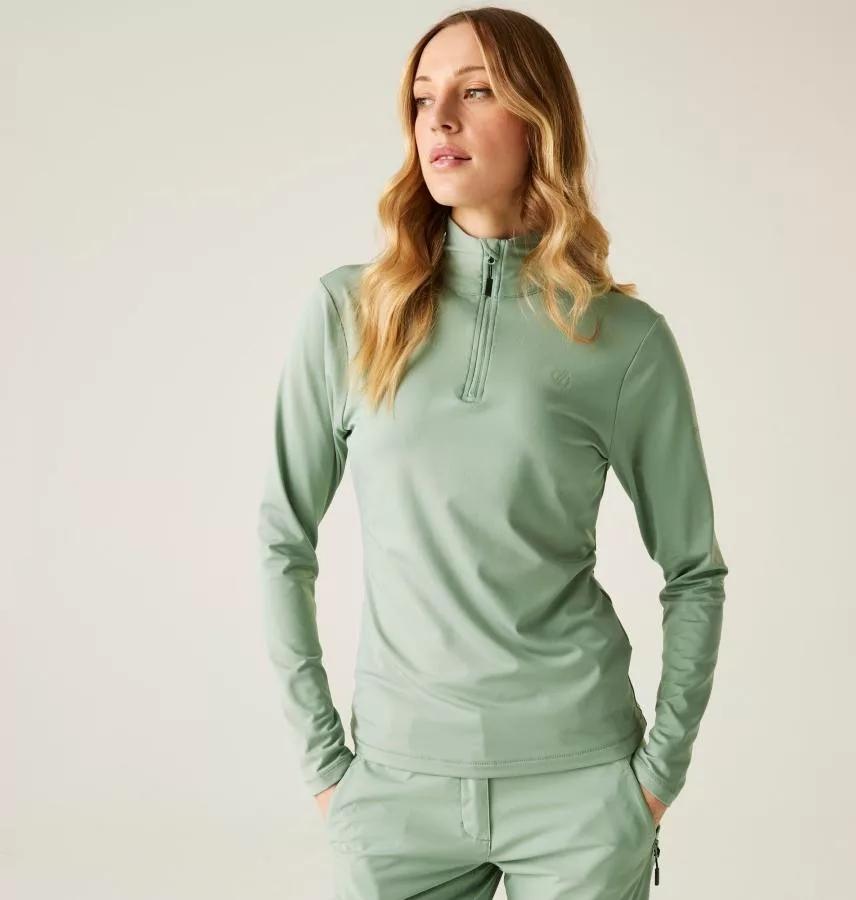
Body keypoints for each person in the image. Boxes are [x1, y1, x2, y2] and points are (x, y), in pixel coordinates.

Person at [256, 7, 728, 899]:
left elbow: (694, 570)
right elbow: (283, 542)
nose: (439, 119)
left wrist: (654, 781)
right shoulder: (349, 313)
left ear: (539, 119)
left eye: (475, 93)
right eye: (423, 97)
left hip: (581, 791)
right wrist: (327, 768)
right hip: (394, 791)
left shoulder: (624, 340)